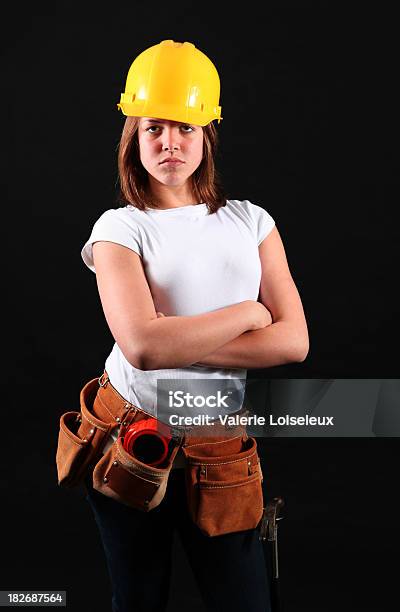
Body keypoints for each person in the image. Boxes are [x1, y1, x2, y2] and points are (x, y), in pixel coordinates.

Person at [79, 39, 309, 612]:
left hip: (219, 449)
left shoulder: (251, 222)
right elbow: (142, 348)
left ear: (207, 134)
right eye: (154, 127)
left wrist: (179, 339)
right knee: (136, 600)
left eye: (185, 127)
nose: (170, 142)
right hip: (132, 439)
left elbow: (295, 342)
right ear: (134, 134)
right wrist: (251, 314)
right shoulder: (118, 229)